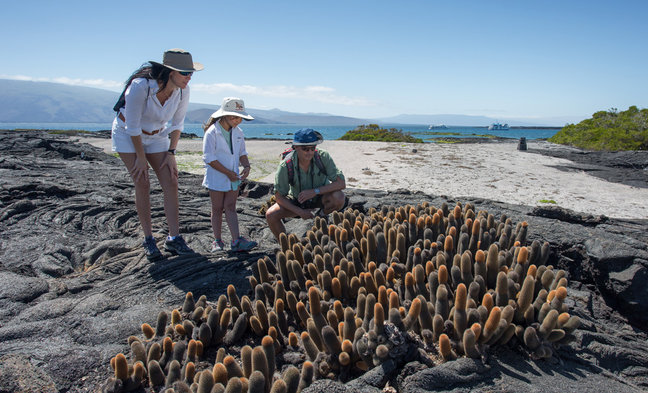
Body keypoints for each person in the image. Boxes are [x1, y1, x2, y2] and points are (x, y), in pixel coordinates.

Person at [111, 48, 203, 261]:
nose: (189, 78)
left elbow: (178, 123)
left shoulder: (182, 91)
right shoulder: (140, 86)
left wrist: (172, 152)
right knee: (142, 181)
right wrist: (141, 157)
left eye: (191, 73)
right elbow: (133, 126)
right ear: (170, 71)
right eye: (184, 73)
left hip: (158, 135)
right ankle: (149, 239)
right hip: (128, 134)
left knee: (171, 179)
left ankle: (174, 238)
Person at [265, 129, 347, 241]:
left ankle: (320, 216)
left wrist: (314, 191)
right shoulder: (285, 166)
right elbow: (279, 196)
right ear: (296, 147)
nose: (309, 152)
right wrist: (299, 212)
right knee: (271, 214)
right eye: (305, 149)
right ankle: (286, 246)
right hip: (296, 200)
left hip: (320, 197)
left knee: (339, 197)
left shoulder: (323, 157)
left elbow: (341, 183)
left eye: (312, 148)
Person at [202, 97, 258, 252]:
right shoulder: (212, 132)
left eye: (240, 117)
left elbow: (242, 152)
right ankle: (217, 241)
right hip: (217, 177)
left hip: (234, 178)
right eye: (234, 117)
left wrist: (246, 165)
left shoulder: (238, 132)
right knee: (217, 208)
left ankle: (236, 240)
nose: (237, 120)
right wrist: (228, 173)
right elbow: (209, 158)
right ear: (224, 115)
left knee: (231, 207)